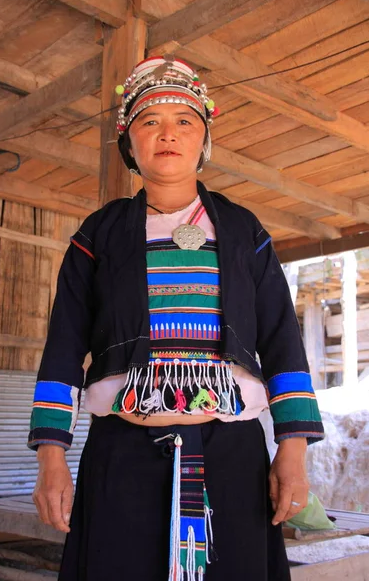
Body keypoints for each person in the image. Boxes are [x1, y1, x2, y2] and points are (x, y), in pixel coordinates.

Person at [29, 55, 324, 581]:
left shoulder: (242, 231)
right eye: (150, 122)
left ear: (203, 140)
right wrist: (51, 457)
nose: (168, 135)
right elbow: (64, 349)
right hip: (122, 456)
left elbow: (282, 340)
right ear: (130, 144)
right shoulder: (99, 236)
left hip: (231, 457)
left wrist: (293, 450)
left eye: (184, 121)